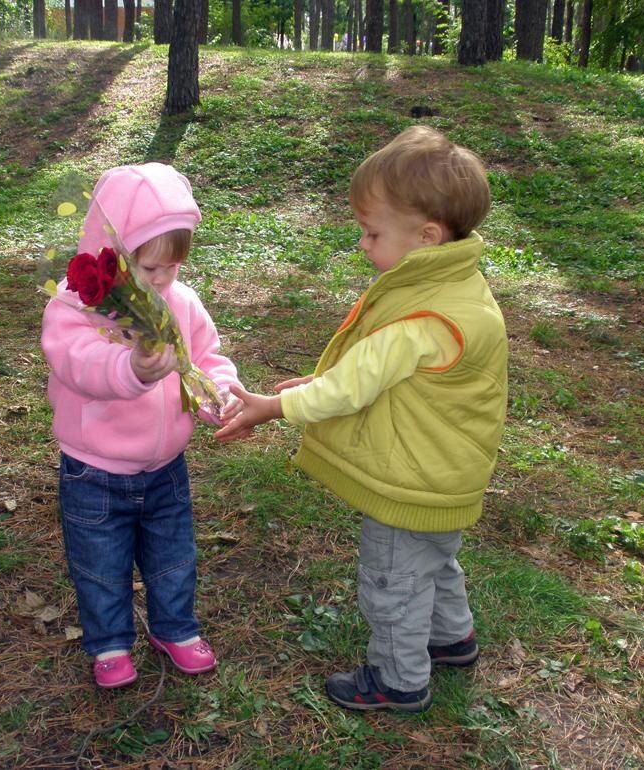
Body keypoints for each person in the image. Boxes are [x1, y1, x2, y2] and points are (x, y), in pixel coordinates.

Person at [216, 126, 508, 712]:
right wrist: (320, 384)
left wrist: (276, 407)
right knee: (435, 560)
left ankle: (399, 680)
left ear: (427, 237)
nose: (362, 245)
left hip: (412, 480)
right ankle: (452, 640)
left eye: (372, 233)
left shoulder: (419, 318)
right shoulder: (460, 286)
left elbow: (355, 385)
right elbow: (382, 376)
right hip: (448, 473)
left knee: (393, 580)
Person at [42, 163, 242, 689]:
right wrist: (129, 370)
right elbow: (77, 363)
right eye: (146, 267)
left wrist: (214, 392)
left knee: (173, 556)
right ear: (110, 252)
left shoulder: (181, 302)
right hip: (95, 470)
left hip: (165, 466)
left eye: (170, 268)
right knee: (100, 563)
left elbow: (207, 354)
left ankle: (175, 628)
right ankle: (109, 641)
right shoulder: (77, 307)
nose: (159, 281)